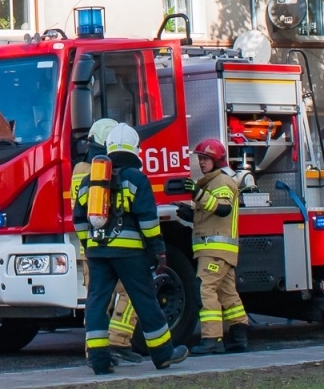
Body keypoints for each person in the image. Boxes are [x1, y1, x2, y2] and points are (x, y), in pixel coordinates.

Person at [72, 123, 188, 375]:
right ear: (136, 150)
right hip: (129, 253)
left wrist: (88, 244)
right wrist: (157, 249)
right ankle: (163, 355)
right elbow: (148, 219)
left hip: (97, 252)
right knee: (144, 300)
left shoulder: (89, 180)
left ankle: (100, 361)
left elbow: (79, 219)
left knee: (96, 303)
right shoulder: (136, 178)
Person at [69, 119, 143, 364]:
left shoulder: (80, 170)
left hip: (90, 247)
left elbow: (79, 212)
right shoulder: (113, 170)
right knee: (133, 291)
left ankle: (96, 353)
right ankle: (119, 342)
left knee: (97, 301)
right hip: (118, 244)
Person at [177, 138, 249, 355]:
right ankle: (239, 337)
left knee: (204, 289)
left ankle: (211, 339)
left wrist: (197, 195)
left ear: (217, 160)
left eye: (206, 159)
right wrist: (191, 213)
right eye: (200, 158)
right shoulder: (211, 183)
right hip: (218, 250)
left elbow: (223, 209)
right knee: (228, 294)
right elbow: (211, 214)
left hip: (215, 250)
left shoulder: (221, 182)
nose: (201, 163)